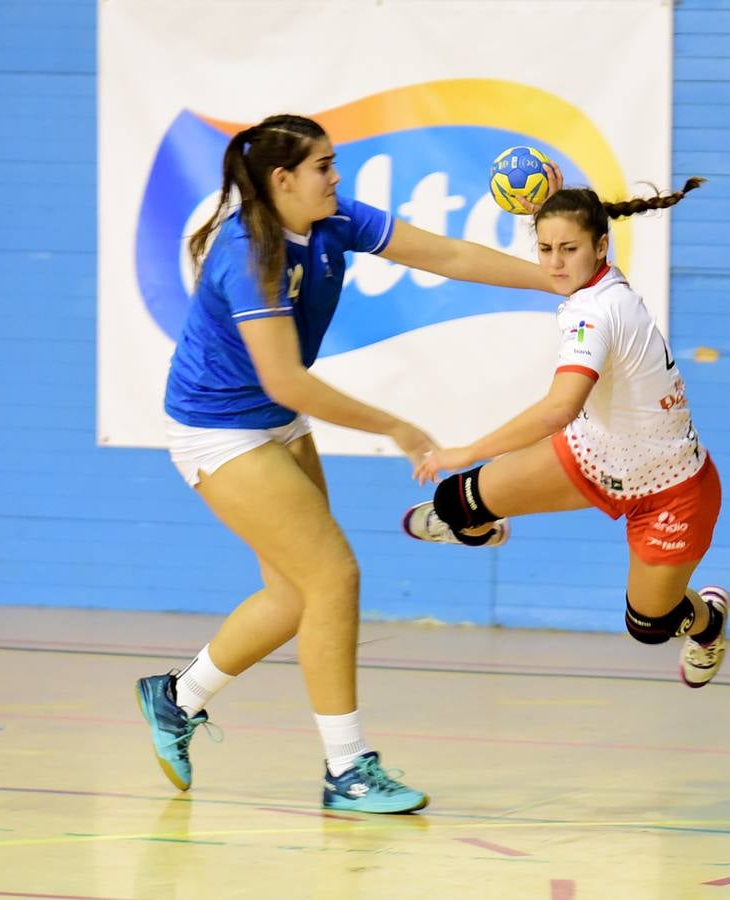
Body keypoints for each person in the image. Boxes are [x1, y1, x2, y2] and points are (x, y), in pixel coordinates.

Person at [135, 114, 562, 814]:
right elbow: (287, 380)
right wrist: (397, 426)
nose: (337, 177)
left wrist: (555, 282)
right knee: (334, 576)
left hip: (274, 423)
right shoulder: (250, 254)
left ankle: (176, 699)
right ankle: (347, 770)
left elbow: (447, 257)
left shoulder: (332, 221)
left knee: (296, 593)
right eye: (324, 167)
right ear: (283, 180)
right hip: (219, 433)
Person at [403, 178, 730, 688]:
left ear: (601, 246)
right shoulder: (592, 283)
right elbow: (487, 260)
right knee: (456, 503)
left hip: (671, 491)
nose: (555, 263)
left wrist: (463, 449)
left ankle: (709, 623)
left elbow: (558, 409)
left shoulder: (597, 312)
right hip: (593, 457)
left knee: (649, 625)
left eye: (569, 249)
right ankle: (486, 527)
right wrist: (555, 207)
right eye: (545, 249)